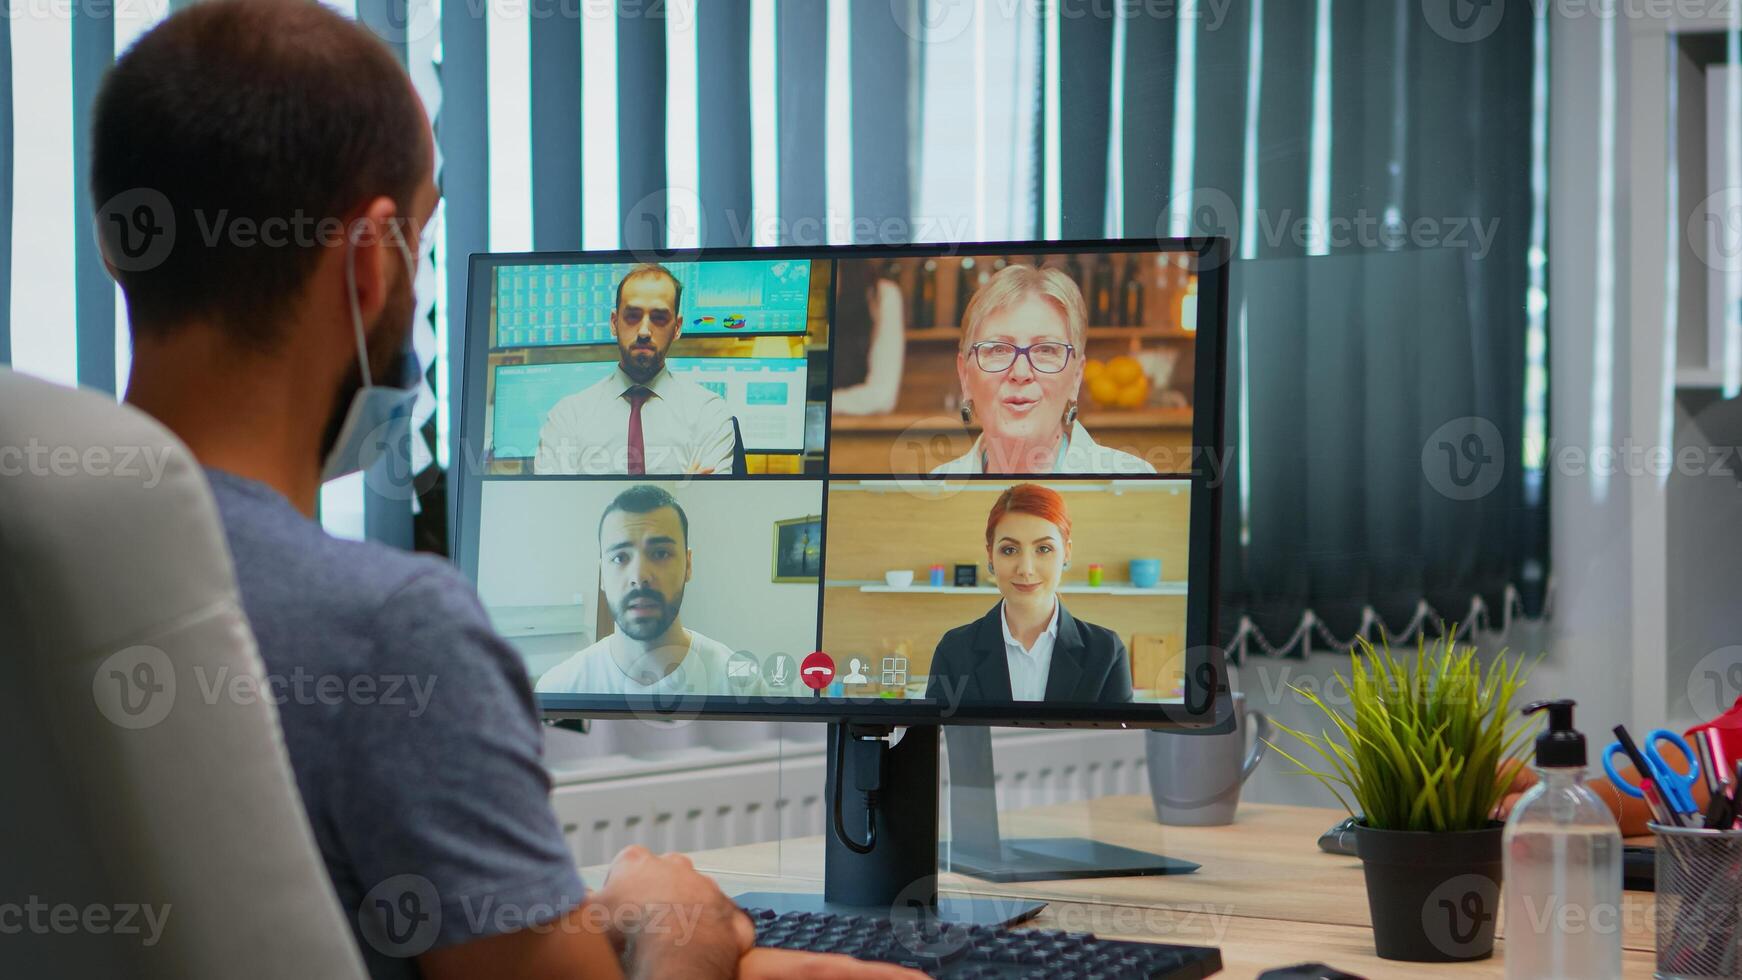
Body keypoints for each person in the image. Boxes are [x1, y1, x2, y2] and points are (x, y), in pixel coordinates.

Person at [95, 4, 914, 979]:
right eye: (423, 236)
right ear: (368, 261)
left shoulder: (50, 558)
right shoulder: (387, 631)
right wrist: (679, 928)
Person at [931, 263, 1155, 475]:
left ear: (1076, 376)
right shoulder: (935, 489)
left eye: (1046, 350)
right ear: (965, 376)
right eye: (998, 349)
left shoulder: (1135, 480)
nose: (1020, 373)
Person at [924, 485, 1133, 704]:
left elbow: (1120, 739)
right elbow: (937, 738)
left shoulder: (1106, 652)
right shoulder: (954, 651)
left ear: (1066, 552)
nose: (1026, 569)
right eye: (1009, 550)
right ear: (990, 555)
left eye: (1043, 549)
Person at [536, 485, 752, 696]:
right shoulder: (558, 690)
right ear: (602, 575)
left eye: (660, 554)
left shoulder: (743, 686)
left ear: (688, 565)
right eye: (620, 557)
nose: (639, 577)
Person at [533, 264, 738, 475]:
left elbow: (711, 505)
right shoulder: (568, 417)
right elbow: (553, 505)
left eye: (659, 318)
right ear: (614, 323)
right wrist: (683, 490)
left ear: (677, 328)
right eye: (632, 315)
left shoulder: (709, 412)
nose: (643, 331)